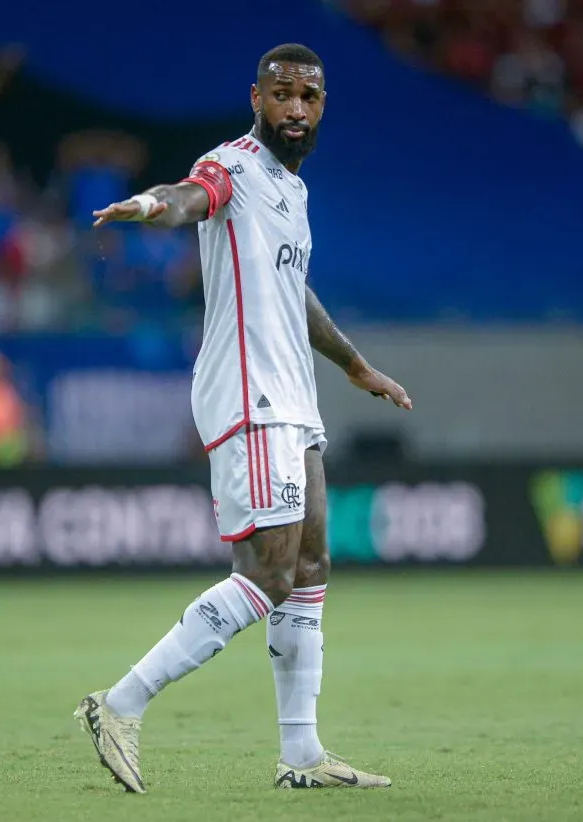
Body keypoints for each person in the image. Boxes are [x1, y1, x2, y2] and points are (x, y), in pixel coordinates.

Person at [74, 44, 412, 793]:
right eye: (283, 94)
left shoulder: (293, 193)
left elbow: (296, 292)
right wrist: (151, 206)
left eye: (309, 98)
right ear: (256, 97)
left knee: (311, 569)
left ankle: (302, 755)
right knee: (266, 573)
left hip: (294, 397)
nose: (296, 109)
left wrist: (354, 364)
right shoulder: (231, 164)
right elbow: (189, 194)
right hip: (249, 392)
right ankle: (119, 703)